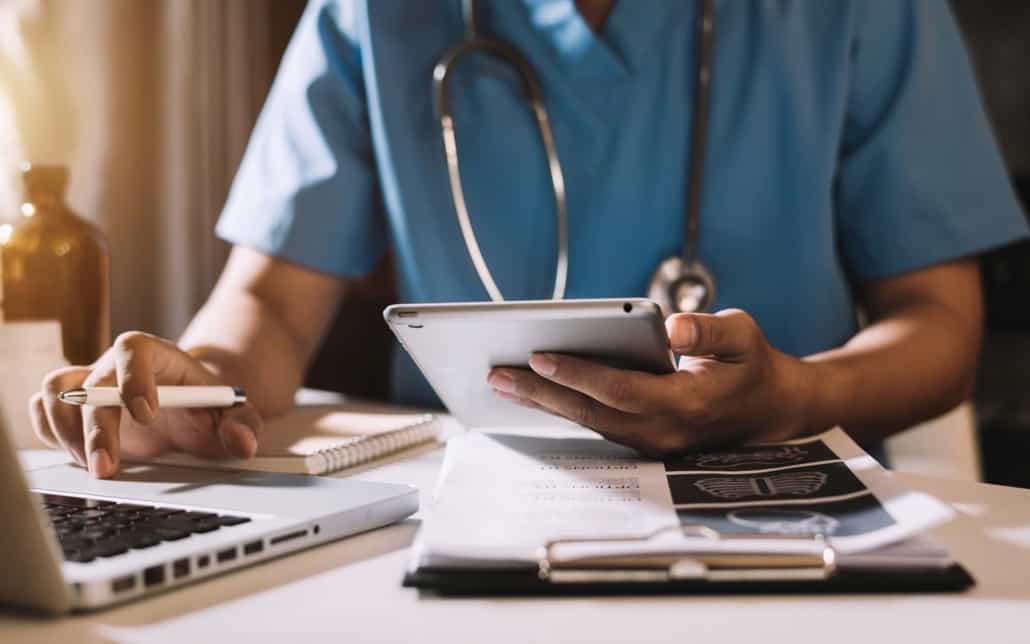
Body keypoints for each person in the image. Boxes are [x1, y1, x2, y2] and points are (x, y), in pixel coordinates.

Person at [31, 0, 1028, 477]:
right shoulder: (371, 15)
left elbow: (940, 323)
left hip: (773, 485)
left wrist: (797, 395)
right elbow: (268, 307)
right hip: (461, 495)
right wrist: (190, 383)